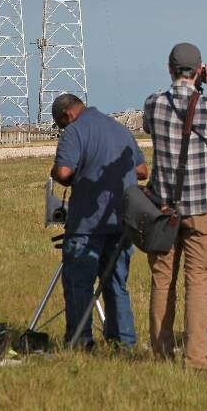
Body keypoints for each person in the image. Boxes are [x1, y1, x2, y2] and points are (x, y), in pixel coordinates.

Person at [143, 42, 207, 369]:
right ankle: (195, 359)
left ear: (170, 69)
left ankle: (160, 354)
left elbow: (148, 127)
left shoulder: (154, 104)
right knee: (197, 283)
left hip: (162, 209)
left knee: (162, 281)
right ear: (199, 70)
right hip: (203, 207)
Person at [50, 93, 148, 348]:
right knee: (116, 283)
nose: (63, 129)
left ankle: (81, 342)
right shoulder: (119, 129)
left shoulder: (74, 131)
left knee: (79, 283)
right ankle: (123, 343)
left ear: (66, 115)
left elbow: (63, 172)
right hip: (122, 222)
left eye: (61, 125)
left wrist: (60, 171)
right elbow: (142, 171)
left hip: (86, 224)